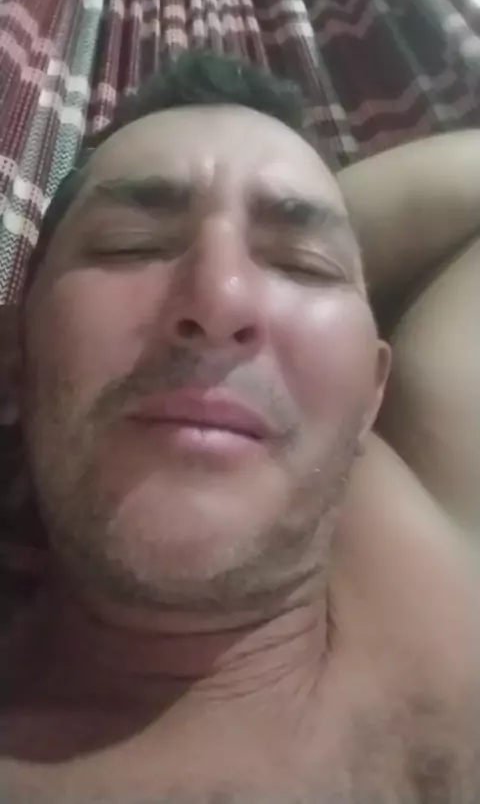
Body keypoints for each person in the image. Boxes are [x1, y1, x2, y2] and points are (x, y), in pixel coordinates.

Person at [0, 52, 478, 804]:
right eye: (131, 245)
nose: (220, 299)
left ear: (371, 393)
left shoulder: (439, 529)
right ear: (14, 359)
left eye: (306, 265)